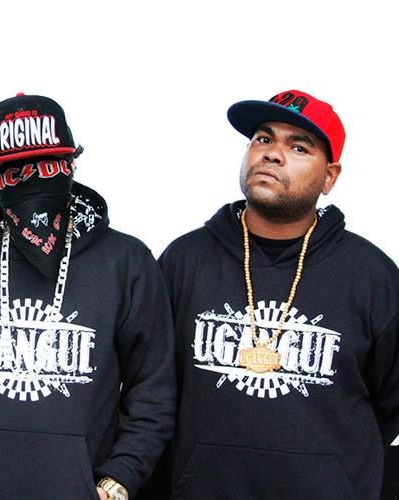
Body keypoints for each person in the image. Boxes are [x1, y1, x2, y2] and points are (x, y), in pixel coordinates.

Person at [0, 93, 176, 499]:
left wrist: (116, 483)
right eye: (13, 172)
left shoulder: (126, 260)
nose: (31, 181)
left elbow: (153, 388)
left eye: (45, 165)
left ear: (70, 164)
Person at [158, 90, 399, 499]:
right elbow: (151, 389)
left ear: (329, 177)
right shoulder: (184, 259)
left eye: (298, 147)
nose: (272, 153)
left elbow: (390, 404)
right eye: (263, 139)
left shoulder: (373, 276)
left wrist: (331, 474)